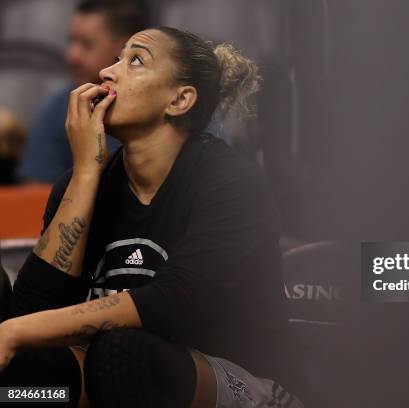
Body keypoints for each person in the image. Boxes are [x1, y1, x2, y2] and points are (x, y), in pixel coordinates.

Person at [0, 27, 303, 408]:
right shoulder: (80, 183)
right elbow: (34, 311)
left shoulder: (229, 180)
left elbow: (173, 304)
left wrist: (14, 331)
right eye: (115, 59)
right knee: (29, 367)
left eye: (135, 61)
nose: (108, 72)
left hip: (237, 377)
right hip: (110, 374)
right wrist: (86, 173)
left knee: (124, 353)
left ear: (179, 100)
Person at [16, 0, 148, 183]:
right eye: (72, 41)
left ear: (126, 48)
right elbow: (34, 199)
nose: (72, 56)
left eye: (86, 44)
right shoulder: (56, 109)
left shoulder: (164, 108)